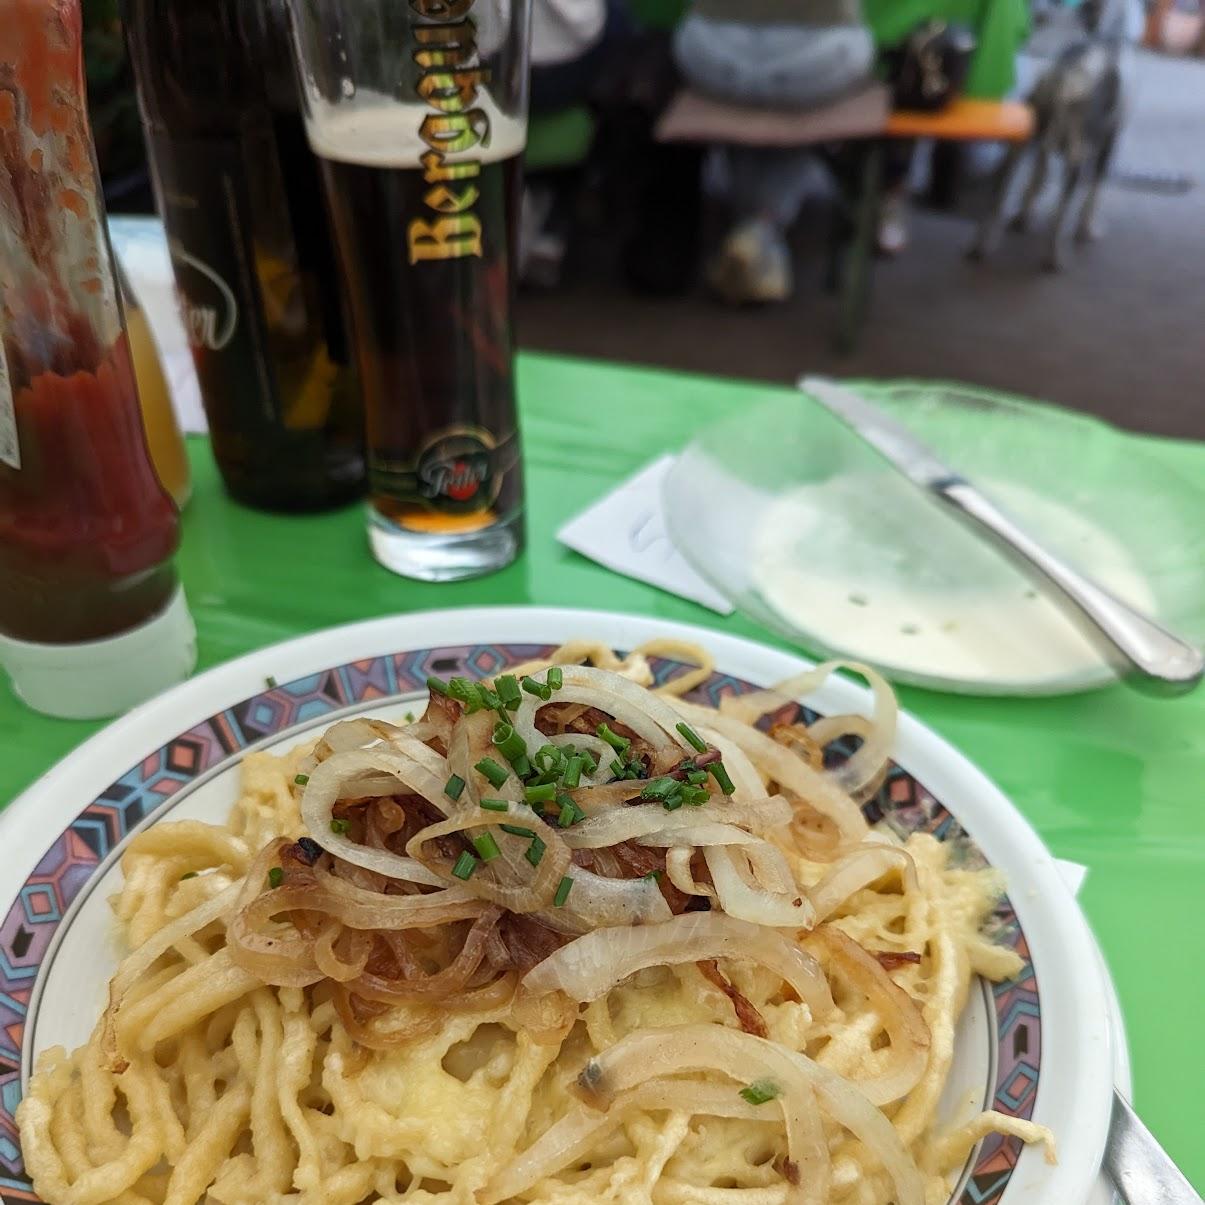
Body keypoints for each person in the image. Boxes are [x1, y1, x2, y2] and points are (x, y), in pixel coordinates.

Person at [673, 0, 876, 304]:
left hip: (712, 53)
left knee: (750, 111)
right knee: (800, 102)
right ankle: (761, 229)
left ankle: (754, 229)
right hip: (814, 59)